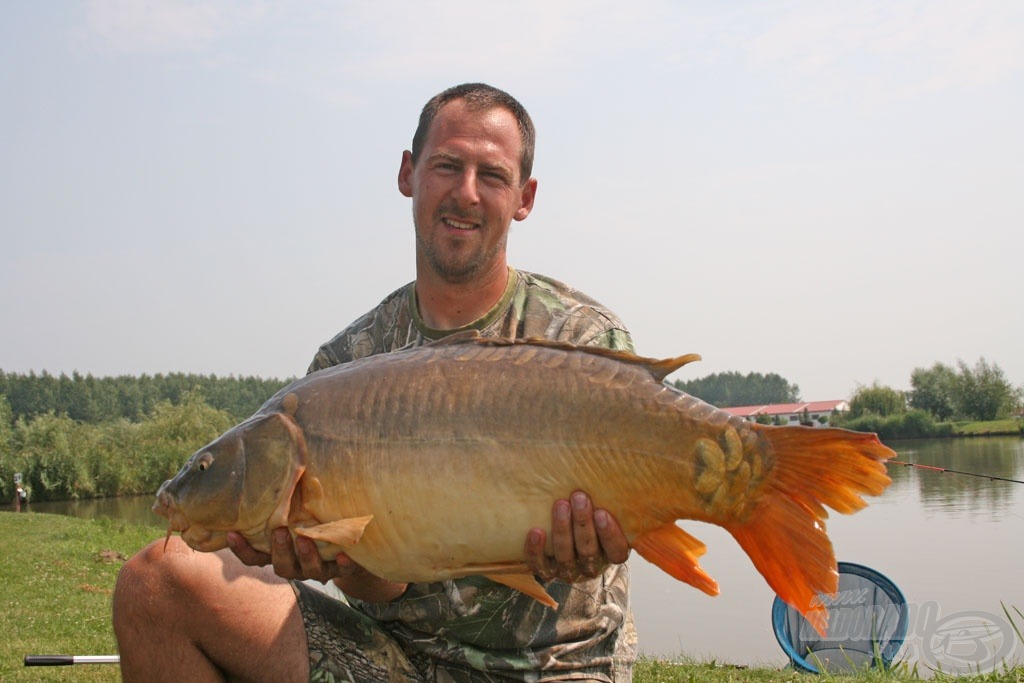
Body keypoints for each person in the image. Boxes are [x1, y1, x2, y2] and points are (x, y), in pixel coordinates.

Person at [113, 83, 637, 682]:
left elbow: (617, 526)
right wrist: (333, 560)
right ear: (408, 173)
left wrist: (591, 546)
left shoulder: (579, 340)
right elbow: (383, 583)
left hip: (555, 670)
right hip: (394, 665)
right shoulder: (344, 364)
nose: (465, 192)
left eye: (492, 175)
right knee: (154, 582)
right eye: (446, 165)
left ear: (524, 197)